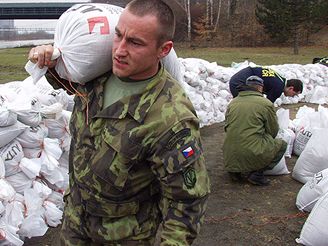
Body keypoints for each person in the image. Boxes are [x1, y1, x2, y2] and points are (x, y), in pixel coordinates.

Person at [28, 0, 210, 245]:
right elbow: (69, 84)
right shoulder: (98, 74)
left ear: (163, 50)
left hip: (123, 236)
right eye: (118, 36)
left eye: (135, 42)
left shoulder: (171, 118)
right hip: (75, 224)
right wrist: (50, 61)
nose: (119, 50)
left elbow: (187, 200)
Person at [223, 75, 287, 186]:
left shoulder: (233, 102)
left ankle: (235, 171)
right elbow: (273, 131)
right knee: (281, 145)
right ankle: (257, 174)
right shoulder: (265, 103)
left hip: (229, 154)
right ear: (260, 88)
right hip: (251, 151)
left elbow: (227, 126)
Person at [229, 66, 303, 103]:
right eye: (295, 94)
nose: (293, 96)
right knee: (246, 106)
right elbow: (267, 105)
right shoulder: (278, 87)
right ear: (291, 88)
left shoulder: (280, 80)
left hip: (239, 78)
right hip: (239, 82)